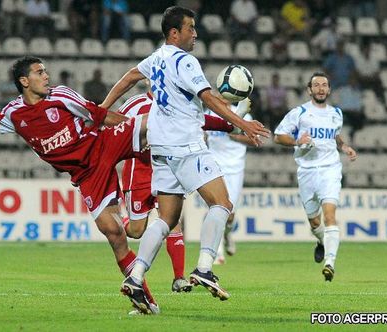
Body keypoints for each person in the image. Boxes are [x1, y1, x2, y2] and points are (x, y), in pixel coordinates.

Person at [0, 56, 159, 315]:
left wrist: (134, 130)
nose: (46, 76)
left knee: (148, 124)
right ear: (24, 81)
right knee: (114, 234)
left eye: (45, 71)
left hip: (101, 145)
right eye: (39, 72)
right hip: (87, 176)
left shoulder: (61, 96)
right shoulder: (15, 113)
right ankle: (146, 301)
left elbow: (98, 115)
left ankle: (191, 142)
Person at [99, 6, 270, 313]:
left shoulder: (157, 57)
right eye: (191, 28)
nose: (195, 34)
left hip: (161, 149)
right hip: (187, 145)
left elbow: (129, 77)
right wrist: (243, 123)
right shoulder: (184, 60)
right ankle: (204, 267)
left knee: (166, 219)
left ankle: (136, 276)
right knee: (222, 204)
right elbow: (209, 97)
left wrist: (102, 107)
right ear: (174, 33)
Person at [118, 90, 239, 293]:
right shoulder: (136, 104)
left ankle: (178, 278)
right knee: (136, 231)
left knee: (172, 221)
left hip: (167, 164)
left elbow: (201, 120)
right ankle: (121, 221)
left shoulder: (175, 101)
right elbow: (116, 125)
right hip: (139, 172)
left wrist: (229, 123)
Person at [273, 72, 357, 282]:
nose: (320, 88)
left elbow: (334, 134)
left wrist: (343, 146)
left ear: (329, 90)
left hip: (330, 169)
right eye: (316, 85)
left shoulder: (336, 113)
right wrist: (297, 142)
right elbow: (278, 136)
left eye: (324, 85)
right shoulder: (299, 112)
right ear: (309, 90)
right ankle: (321, 241)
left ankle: (330, 263)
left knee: (330, 216)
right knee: (314, 222)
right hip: (307, 172)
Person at [206, 97, 255, 265]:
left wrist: (235, 136)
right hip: (214, 166)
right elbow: (203, 135)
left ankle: (227, 234)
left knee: (230, 214)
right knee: (216, 208)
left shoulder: (242, 114)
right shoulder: (211, 113)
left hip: (234, 168)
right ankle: (217, 253)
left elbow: (254, 139)